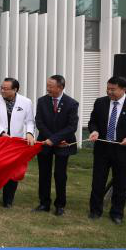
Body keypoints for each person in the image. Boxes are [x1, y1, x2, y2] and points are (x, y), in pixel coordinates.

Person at [87, 76, 126, 225]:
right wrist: (94, 131)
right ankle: (95, 210)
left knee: (120, 183)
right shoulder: (100, 102)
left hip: (123, 150)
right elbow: (93, 121)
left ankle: (117, 213)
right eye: (108, 88)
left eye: (113, 89)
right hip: (102, 148)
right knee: (98, 181)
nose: (109, 92)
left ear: (123, 89)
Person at [0, 77, 36, 207]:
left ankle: (8, 200)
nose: (2, 91)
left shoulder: (26, 102)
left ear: (15, 89)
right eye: (1, 88)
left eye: (6, 89)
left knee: (12, 171)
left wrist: (29, 133)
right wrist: (2, 133)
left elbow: (30, 121)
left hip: (16, 144)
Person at [33, 75, 79, 215]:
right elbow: (39, 122)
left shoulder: (71, 103)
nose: (48, 89)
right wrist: (51, 139)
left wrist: (56, 140)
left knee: (60, 175)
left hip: (63, 144)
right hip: (45, 143)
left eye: (51, 86)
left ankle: (60, 205)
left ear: (60, 87)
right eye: (47, 86)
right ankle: (44, 203)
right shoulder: (42, 101)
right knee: (44, 174)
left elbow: (72, 126)